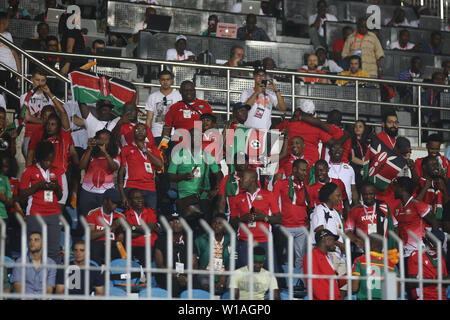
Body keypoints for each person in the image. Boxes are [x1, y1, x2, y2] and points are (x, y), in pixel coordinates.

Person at [26, 95, 79, 210]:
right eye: (48, 124)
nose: (49, 127)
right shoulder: (43, 141)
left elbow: (64, 113)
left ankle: (55, 225)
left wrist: (50, 93)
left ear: (59, 125)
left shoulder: (63, 137)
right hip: (46, 177)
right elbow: (32, 156)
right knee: (47, 204)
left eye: (53, 124)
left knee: (59, 204)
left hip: (59, 176)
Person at [19, 141, 63, 264]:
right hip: (35, 213)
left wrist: (57, 188)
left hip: (54, 214)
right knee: (34, 250)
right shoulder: (29, 171)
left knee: (54, 251)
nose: (48, 163)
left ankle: (53, 281)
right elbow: (22, 195)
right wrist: (37, 186)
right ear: (39, 158)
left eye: (50, 160)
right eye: (45, 160)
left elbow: (59, 197)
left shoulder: (56, 171)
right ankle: (31, 280)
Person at [167, 128, 222, 224]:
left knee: (204, 228)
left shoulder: (207, 155)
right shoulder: (178, 155)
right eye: (193, 136)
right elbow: (170, 175)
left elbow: (219, 174)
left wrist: (216, 189)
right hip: (185, 198)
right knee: (187, 229)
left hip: (203, 196)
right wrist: (182, 177)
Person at [230, 169, 281, 269]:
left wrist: (264, 218)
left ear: (252, 180)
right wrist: (242, 219)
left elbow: (279, 219)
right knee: (244, 277)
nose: (239, 180)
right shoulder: (237, 198)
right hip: (245, 241)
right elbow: (231, 222)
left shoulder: (268, 195)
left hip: (265, 241)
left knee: (270, 276)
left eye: (243, 178)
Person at [272, 159, 311, 280]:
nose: (305, 173)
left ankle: (297, 282)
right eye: (302, 170)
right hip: (286, 227)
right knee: (287, 257)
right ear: (294, 170)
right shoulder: (280, 183)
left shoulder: (305, 186)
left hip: (301, 228)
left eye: (306, 170)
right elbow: (273, 204)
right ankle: (286, 282)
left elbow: (308, 206)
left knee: (299, 257)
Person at [346, 181, 397, 260]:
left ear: (375, 194)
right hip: (362, 252)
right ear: (362, 195)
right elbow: (347, 231)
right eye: (365, 194)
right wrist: (358, 241)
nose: (368, 197)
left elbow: (394, 226)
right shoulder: (355, 210)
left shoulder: (384, 207)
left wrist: (394, 245)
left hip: (382, 251)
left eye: (371, 194)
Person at [154, 212, 200, 297]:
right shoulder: (161, 240)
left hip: (186, 274)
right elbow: (160, 265)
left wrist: (187, 277)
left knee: (195, 284)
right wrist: (177, 276)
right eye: (171, 222)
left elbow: (194, 265)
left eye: (178, 222)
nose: (174, 224)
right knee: (173, 283)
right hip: (168, 275)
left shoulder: (189, 241)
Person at [393, 177, 439, 261]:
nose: (394, 190)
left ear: (402, 188)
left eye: (396, 187)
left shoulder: (418, 205)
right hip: (403, 255)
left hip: (418, 253)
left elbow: (434, 221)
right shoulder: (397, 208)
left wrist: (433, 244)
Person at [118, 123, 163, 209]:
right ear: (133, 133)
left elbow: (159, 164)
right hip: (131, 187)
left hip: (150, 188)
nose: (140, 132)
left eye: (143, 129)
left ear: (147, 133)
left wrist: (144, 149)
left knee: (151, 217)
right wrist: (122, 194)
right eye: (137, 129)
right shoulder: (126, 149)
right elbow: (121, 173)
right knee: (132, 217)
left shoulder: (153, 148)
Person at [160, 80, 213, 149]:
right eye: (186, 90)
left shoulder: (204, 105)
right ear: (180, 91)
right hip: (181, 148)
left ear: (195, 91)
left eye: (191, 90)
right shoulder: (175, 107)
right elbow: (167, 130)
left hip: (202, 147)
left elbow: (212, 126)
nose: (189, 93)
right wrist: (163, 147)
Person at [79, 129, 120, 217]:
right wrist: (90, 149)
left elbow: (113, 168)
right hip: (87, 191)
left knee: (103, 219)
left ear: (111, 141)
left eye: (106, 139)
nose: (103, 141)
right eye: (100, 139)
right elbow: (81, 166)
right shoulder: (90, 153)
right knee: (85, 218)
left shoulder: (115, 155)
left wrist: (105, 153)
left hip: (106, 193)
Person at [352, 234, 400, 300]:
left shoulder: (360, 260)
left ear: (371, 245)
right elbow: (397, 293)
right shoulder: (391, 264)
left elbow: (354, 288)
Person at [86, 188, 125, 265]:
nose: (115, 205)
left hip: (113, 245)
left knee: (122, 251)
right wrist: (111, 228)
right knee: (94, 249)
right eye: (113, 202)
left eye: (117, 202)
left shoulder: (120, 216)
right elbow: (90, 236)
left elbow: (121, 238)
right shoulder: (93, 214)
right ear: (105, 201)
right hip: (96, 246)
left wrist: (115, 241)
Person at [240, 65, 286, 130]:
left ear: (265, 77)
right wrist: (256, 92)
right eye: (258, 75)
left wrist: (276, 91)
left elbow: (283, 108)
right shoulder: (246, 92)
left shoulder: (270, 93)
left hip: (265, 131)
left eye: (263, 75)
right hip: (248, 129)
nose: (261, 77)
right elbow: (243, 110)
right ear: (254, 76)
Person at [194, 213, 230, 294]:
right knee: (205, 284)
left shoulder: (231, 241)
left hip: (225, 273)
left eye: (220, 223)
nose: (216, 225)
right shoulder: (201, 240)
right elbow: (196, 263)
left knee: (233, 284)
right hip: (206, 273)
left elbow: (233, 263)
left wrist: (224, 276)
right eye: (214, 222)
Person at [12, 232, 57, 297]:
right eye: (30, 240)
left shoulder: (51, 263)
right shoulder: (20, 262)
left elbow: (49, 289)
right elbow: (17, 286)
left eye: (36, 240)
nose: (32, 243)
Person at [303, 229, 343, 300]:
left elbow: (333, 282)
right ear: (325, 239)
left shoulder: (327, 256)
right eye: (333, 240)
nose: (335, 243)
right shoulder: (311, 256)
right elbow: (313, 283)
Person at [407, 231, 448, 300]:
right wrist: (434, 279)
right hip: (424, 297)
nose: (433, 248)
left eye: (436, 246)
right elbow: (412, 283)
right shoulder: (417, 255)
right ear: (425, 241)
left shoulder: (441, 258)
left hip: (441, 297)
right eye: (431, 244)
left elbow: (444, 280)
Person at [124, 189, 159, 265]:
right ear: (130, 201)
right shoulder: (126, 214)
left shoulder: (150, 211)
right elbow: (128, 234)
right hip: (133, 246)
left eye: (141, 197)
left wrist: (133, 227)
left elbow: (149, 228)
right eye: (136, 198)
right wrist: (144, 231)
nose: (140, 200)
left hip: (150, 246)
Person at [145, 70, 182, 142]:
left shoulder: (179, 96)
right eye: (163, 80)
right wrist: (147, 136)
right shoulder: (153, 97)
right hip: (157, 133)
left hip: (175, 133)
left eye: (168, 79)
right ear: (159, 81)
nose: (165, 82)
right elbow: (149, 119)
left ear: (172, 80)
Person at [414, 156, 448, 220]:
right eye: (432, 164)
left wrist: (444, 189)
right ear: (424, 167)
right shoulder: (418, 182)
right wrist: (425, 187)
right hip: (424, 225)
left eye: (437, 164)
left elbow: (447, 206)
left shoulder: (440, 182)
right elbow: (414, 204)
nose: (436, 167)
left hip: (440, 225)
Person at [0, 12, 20, 112]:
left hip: (11, 69)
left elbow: (14, 52)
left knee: (13, 92)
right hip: (1, 69)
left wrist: (19, 70)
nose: (9, 23)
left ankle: (14, 113)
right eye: (7, 21)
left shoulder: (8, 35)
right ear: (2, 22)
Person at [59, 10, 87, 75]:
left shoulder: (68, 30)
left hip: (73, 62)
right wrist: (67, 64)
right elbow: (69, 47)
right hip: (73, 63)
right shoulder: (72, 29)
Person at [350, 120, 369, 190]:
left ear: (364, 129)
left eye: (360, 127)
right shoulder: (351, 141)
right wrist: (366, 164)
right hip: (355, 171)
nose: (357, 128)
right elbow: (352, 158)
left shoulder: (367, 142)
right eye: (356, 126)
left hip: (366, 171)